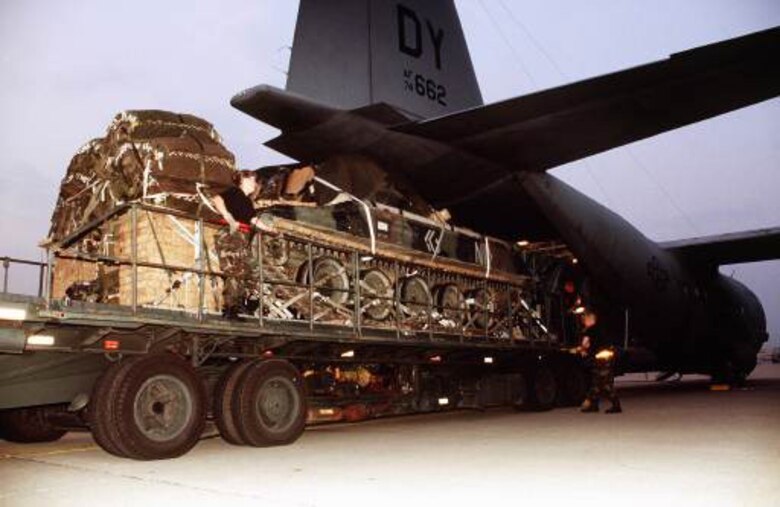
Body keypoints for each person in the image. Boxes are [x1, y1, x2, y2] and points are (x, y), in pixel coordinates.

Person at [212, 170, 275, 319]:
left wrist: (269, 229)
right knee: (235, 271)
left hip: (241, 236)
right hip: (232, 235)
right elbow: (216, 199)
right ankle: (230, 308)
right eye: (253, 180)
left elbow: (253, 220)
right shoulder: (234, 192)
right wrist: (228, 217)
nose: (255, 184)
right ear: (245, 180)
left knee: (241, 270)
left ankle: (238, 305)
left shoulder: (246, 201)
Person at [577, 309, 622, 414]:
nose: (583, 321)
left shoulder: (590, 330)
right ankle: (594, 405)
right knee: (596, 383)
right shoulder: (600, 328)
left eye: (584, 319)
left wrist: (580, 349)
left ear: (590, 319)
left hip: (602, 359)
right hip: (605, 357)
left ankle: (616, 405)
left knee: (605, 383)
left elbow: (585, 344)